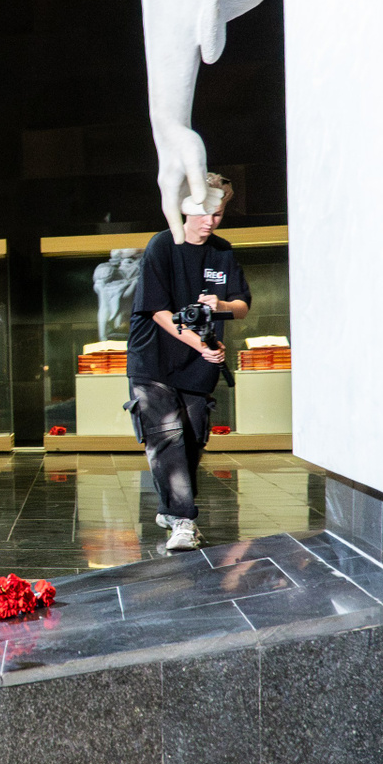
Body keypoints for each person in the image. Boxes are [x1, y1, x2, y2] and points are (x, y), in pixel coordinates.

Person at [126, 172, 250, 552]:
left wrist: (222, 305)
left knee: (193, 438)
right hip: (154, 357)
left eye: (218, 213)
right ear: (185, 207)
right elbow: (159, 311)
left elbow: (242, 306)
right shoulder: (162, 245)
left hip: (199, 362)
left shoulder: (223, 252)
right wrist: (200, 343)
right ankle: (184, 521)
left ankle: (170, 508)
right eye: (203, 212)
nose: (209, 221)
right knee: (167, 436)